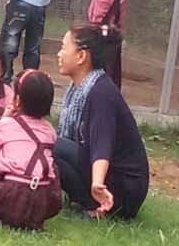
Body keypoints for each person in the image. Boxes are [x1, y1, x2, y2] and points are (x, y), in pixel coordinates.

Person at [54, 23, 149, 219]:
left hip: (124, 191)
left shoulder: (101, 92)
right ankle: (83, 202)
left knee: (49, 143)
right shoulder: (80, 88)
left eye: (63, 47)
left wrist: (97, 183)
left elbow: (101, 144)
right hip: (108, 177)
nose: (59, 54)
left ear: (81, 56)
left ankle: (97, 206)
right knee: (48, 144)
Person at [0, 71, 62, 231]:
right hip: (43, 200)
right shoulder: (50, 130)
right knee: (49, 160)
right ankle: (33, 219)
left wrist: (4, 118)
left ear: (16, 100)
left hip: (10, 195)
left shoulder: (6, 124)